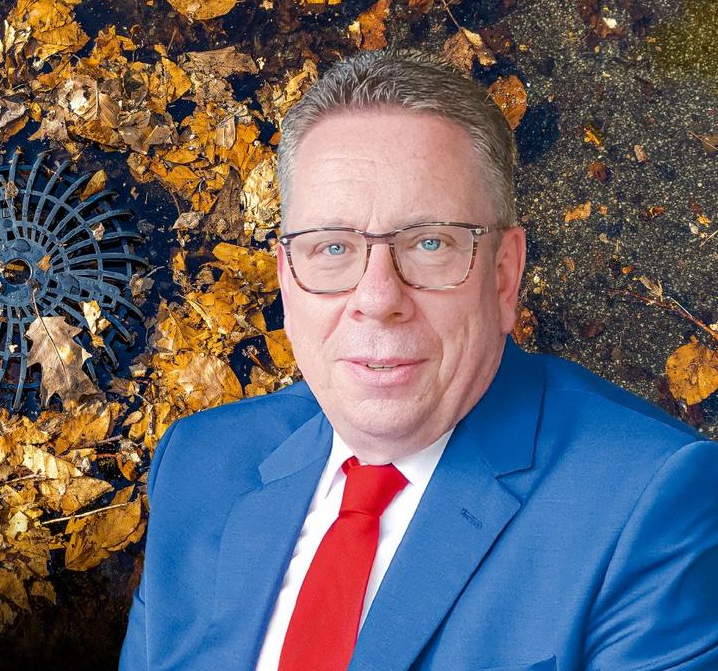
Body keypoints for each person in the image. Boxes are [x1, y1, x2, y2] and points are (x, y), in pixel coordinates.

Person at [118, 50, 718, 671]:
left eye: (430, 243)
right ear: (287, 281)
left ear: (504, 274)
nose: (378, 299)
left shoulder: (650, 505)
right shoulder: (199, 466)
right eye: (332, 248)